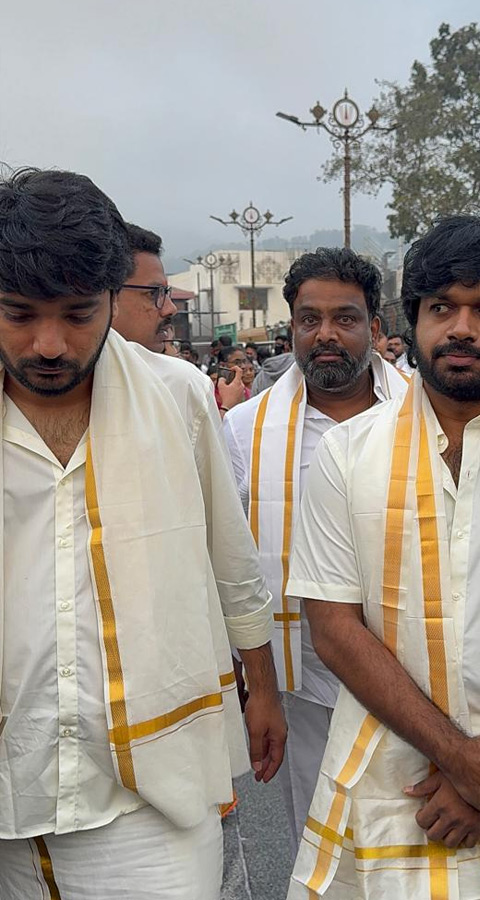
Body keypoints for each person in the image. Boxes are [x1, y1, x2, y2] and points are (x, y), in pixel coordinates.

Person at [286, 213, 480, 899]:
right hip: (387, 779)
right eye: (440, 309)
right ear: (414, 322)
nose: (460, 329)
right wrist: (460, 758)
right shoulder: (347, 454)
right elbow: (334, 628)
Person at [0, 167, 286, 900]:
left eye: (77, 313)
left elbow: (231, 556)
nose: (51, 344)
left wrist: (264, 689)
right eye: (19, 313)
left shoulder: (178, 394)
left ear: (109, 297)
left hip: (148, 778)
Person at [223, 247, 408, 851]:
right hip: (303, 685)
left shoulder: (428, 412)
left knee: (414, 848)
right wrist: (259, 689)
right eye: (310, 319)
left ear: (376, 328)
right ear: (292, 328)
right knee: (321, 845)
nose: (326, 334)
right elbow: (229, 564)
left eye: (346, 318)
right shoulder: (245, 428)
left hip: (419, 675)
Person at [112, 223, 178, 353]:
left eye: (165, 292)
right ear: (107, 297)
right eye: (153, 293)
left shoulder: (178, 373)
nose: (171, 309)